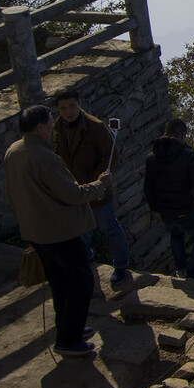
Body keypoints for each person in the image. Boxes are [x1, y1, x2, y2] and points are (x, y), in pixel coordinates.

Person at [4, 105, 112, 358]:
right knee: (81, 281)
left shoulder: (14, 151)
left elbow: (11, 193)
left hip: (36, 230)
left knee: (59, 282)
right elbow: (72, 194)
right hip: (59, 230)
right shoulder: (44, 157)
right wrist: (99, 185)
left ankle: (67, 328)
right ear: (40, 127)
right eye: (50, 124)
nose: (52, 129)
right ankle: (69, 340)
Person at [53, 88, 131, 284]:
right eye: (63, 108)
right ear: (58, 109)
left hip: (97, 189)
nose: (68, 112)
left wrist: (96, 181)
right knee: (81, 230)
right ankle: (87, 261)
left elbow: (111, 154)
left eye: (72, 106)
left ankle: (121, 266)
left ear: (79, 104)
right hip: (73, 190)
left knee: (109, 227)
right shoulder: (57, 128)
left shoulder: (95, 126)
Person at [144, 119, 194, 281]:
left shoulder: (152, 157)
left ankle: (181, 271)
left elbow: (148, 188)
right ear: (183, 135)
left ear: (166, 132)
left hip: (165, 211)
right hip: (186, 209)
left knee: (176, 235)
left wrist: (156, 208)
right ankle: (192, 278)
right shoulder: (188, 155)